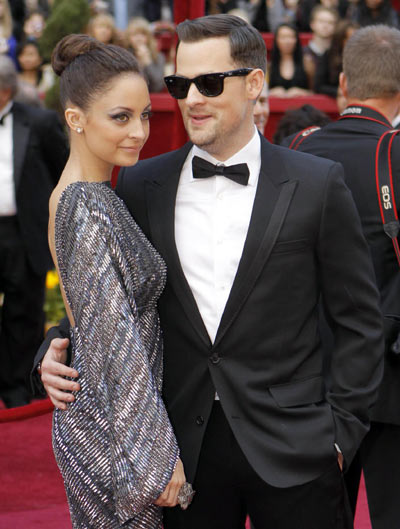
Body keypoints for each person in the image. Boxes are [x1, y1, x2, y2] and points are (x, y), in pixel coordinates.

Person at [35, 14, 384, 529]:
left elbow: (359, 319)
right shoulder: (140, 184)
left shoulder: (316, 184)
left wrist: (338, 436)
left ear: (255, 84)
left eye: (210, 82)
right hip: (183, 452)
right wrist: (56, 345)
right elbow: (116, 298)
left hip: (296, 452)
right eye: (180, 84)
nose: (192, 98)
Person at [44, 33, 192, 528]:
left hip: (113, 419)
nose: (139, 131)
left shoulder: (95, 195)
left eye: (145, 114)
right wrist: (155, 454)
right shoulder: (83, 207)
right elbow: (113, 339)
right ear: (76, 119)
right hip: (113, 431)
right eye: (121, 117)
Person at [282, 24, 400, 529]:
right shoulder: (393, 153)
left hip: (312, 378)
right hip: (392, 379)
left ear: (344, 82)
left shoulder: (295, 149)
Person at [0, 55, 67, 408]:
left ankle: (17, 390)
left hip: (23, 232)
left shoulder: (39, 122)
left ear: (6, 91)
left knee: (24, 312)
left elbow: (62, 173)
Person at [314, 19, 358, 98]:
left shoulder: (365, 58)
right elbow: (318, 86)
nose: (354, 43)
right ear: (340, 40)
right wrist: (338, 91)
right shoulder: (327, 56)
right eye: (349, 38)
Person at [269, 23, 311, 97]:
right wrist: (271, 92)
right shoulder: (268, 65)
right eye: (283, 37)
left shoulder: (307, 62)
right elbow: (260, 92)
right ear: (276, 40)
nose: (287, 41)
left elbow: (315, 91)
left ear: (296, 40)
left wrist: (301, 92)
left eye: (291, 37)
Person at [125, 17, 166, 93]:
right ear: (129, 38)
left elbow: (158, 86)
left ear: (148, 37)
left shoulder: (159, 57)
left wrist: (148, 62)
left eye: (142, 34)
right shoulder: (124, 56)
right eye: (134, 35)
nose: (138, 38)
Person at [302, 5, 338, 90]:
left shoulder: (339, 54)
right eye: (321, 21)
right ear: (312, 24)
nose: (325, 26)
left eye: (330, 22)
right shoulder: (302, 53)